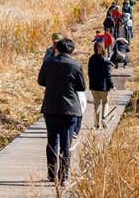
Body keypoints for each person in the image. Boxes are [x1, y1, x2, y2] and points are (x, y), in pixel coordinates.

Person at [38, 38, 86, 186]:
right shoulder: (76, 65)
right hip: (69, 108)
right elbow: (82, 87)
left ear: (57, 48)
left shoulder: (48, 62)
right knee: (66, 143)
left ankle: (52, 173)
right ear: (72, 50)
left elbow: (41, 81)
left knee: (52, 141)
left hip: (51, 107)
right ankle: (64, 176)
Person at [88, 41, 114, 129]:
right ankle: (104, 118)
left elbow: (89, 73)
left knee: (96, 105)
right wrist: (112, 85)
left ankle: (96, 124)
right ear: (103, 48)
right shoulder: (105, 60)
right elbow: (108, 75)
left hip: (94, 86)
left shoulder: (91, 58)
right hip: (103, 86)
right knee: (105, 102)